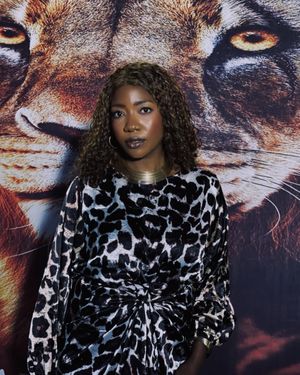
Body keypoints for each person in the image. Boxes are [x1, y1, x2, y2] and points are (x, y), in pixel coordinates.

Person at [27, 62, 235, 375]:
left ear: (167, 114)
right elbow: (55, 287)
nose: (131, 125)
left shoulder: (202, 191)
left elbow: (214, 286)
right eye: (118, 113)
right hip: (88, 360)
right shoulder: (90, 190)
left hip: (169, 360)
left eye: (144, 110)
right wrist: (40, 367)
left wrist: (193, 362)